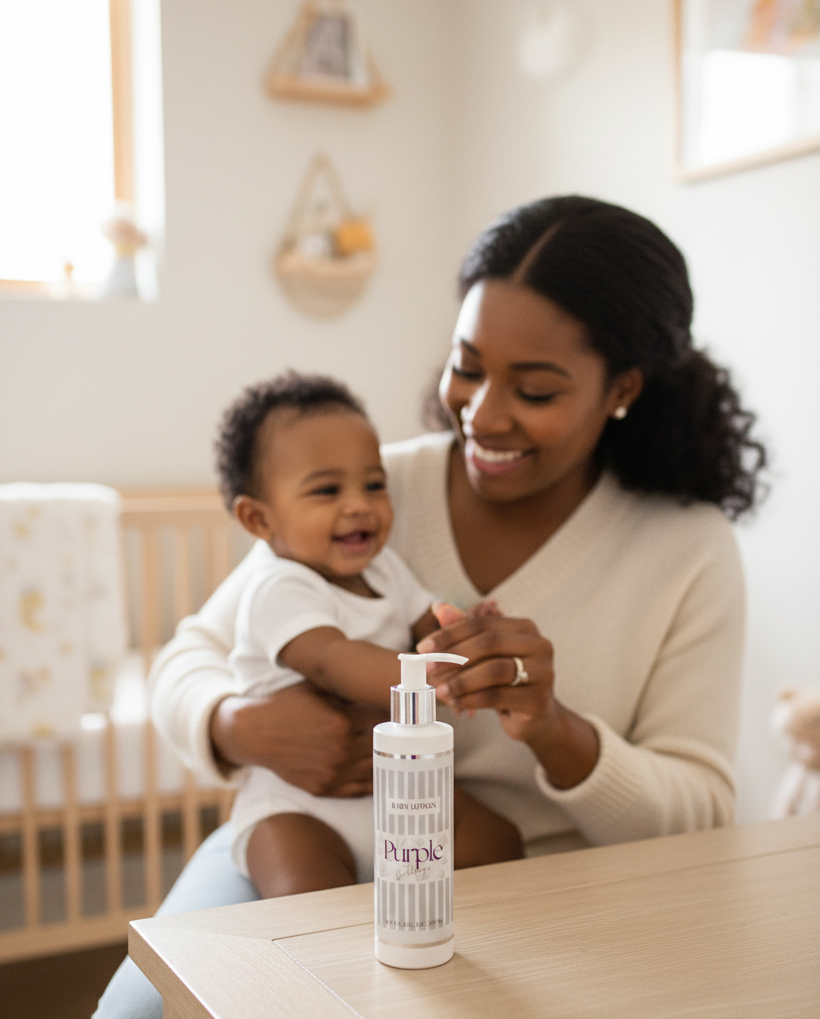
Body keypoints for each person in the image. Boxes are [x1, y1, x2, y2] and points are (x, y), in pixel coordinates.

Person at [93, 194, 766, 1018]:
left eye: (536, 389)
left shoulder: (685, 550)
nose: (482, 414)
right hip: (303, 834)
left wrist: (558, 732)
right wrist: (236, 725)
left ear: (621, 387)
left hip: (526, 878)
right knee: (138, 1012)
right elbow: (190, 655)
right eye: (468, 366)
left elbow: (703, 815)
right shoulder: (374, 488)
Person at [215, 371, 522, 897]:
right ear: (258, 519)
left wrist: (464, 633)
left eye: (373, 485)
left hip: (398, 789)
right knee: (310, 902)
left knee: (499, 842)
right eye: (327, 490)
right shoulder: (278, 587)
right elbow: (334, 660)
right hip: (298, 806)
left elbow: (427, 622)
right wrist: (435, 678)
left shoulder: (385, 571)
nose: (359, 504)